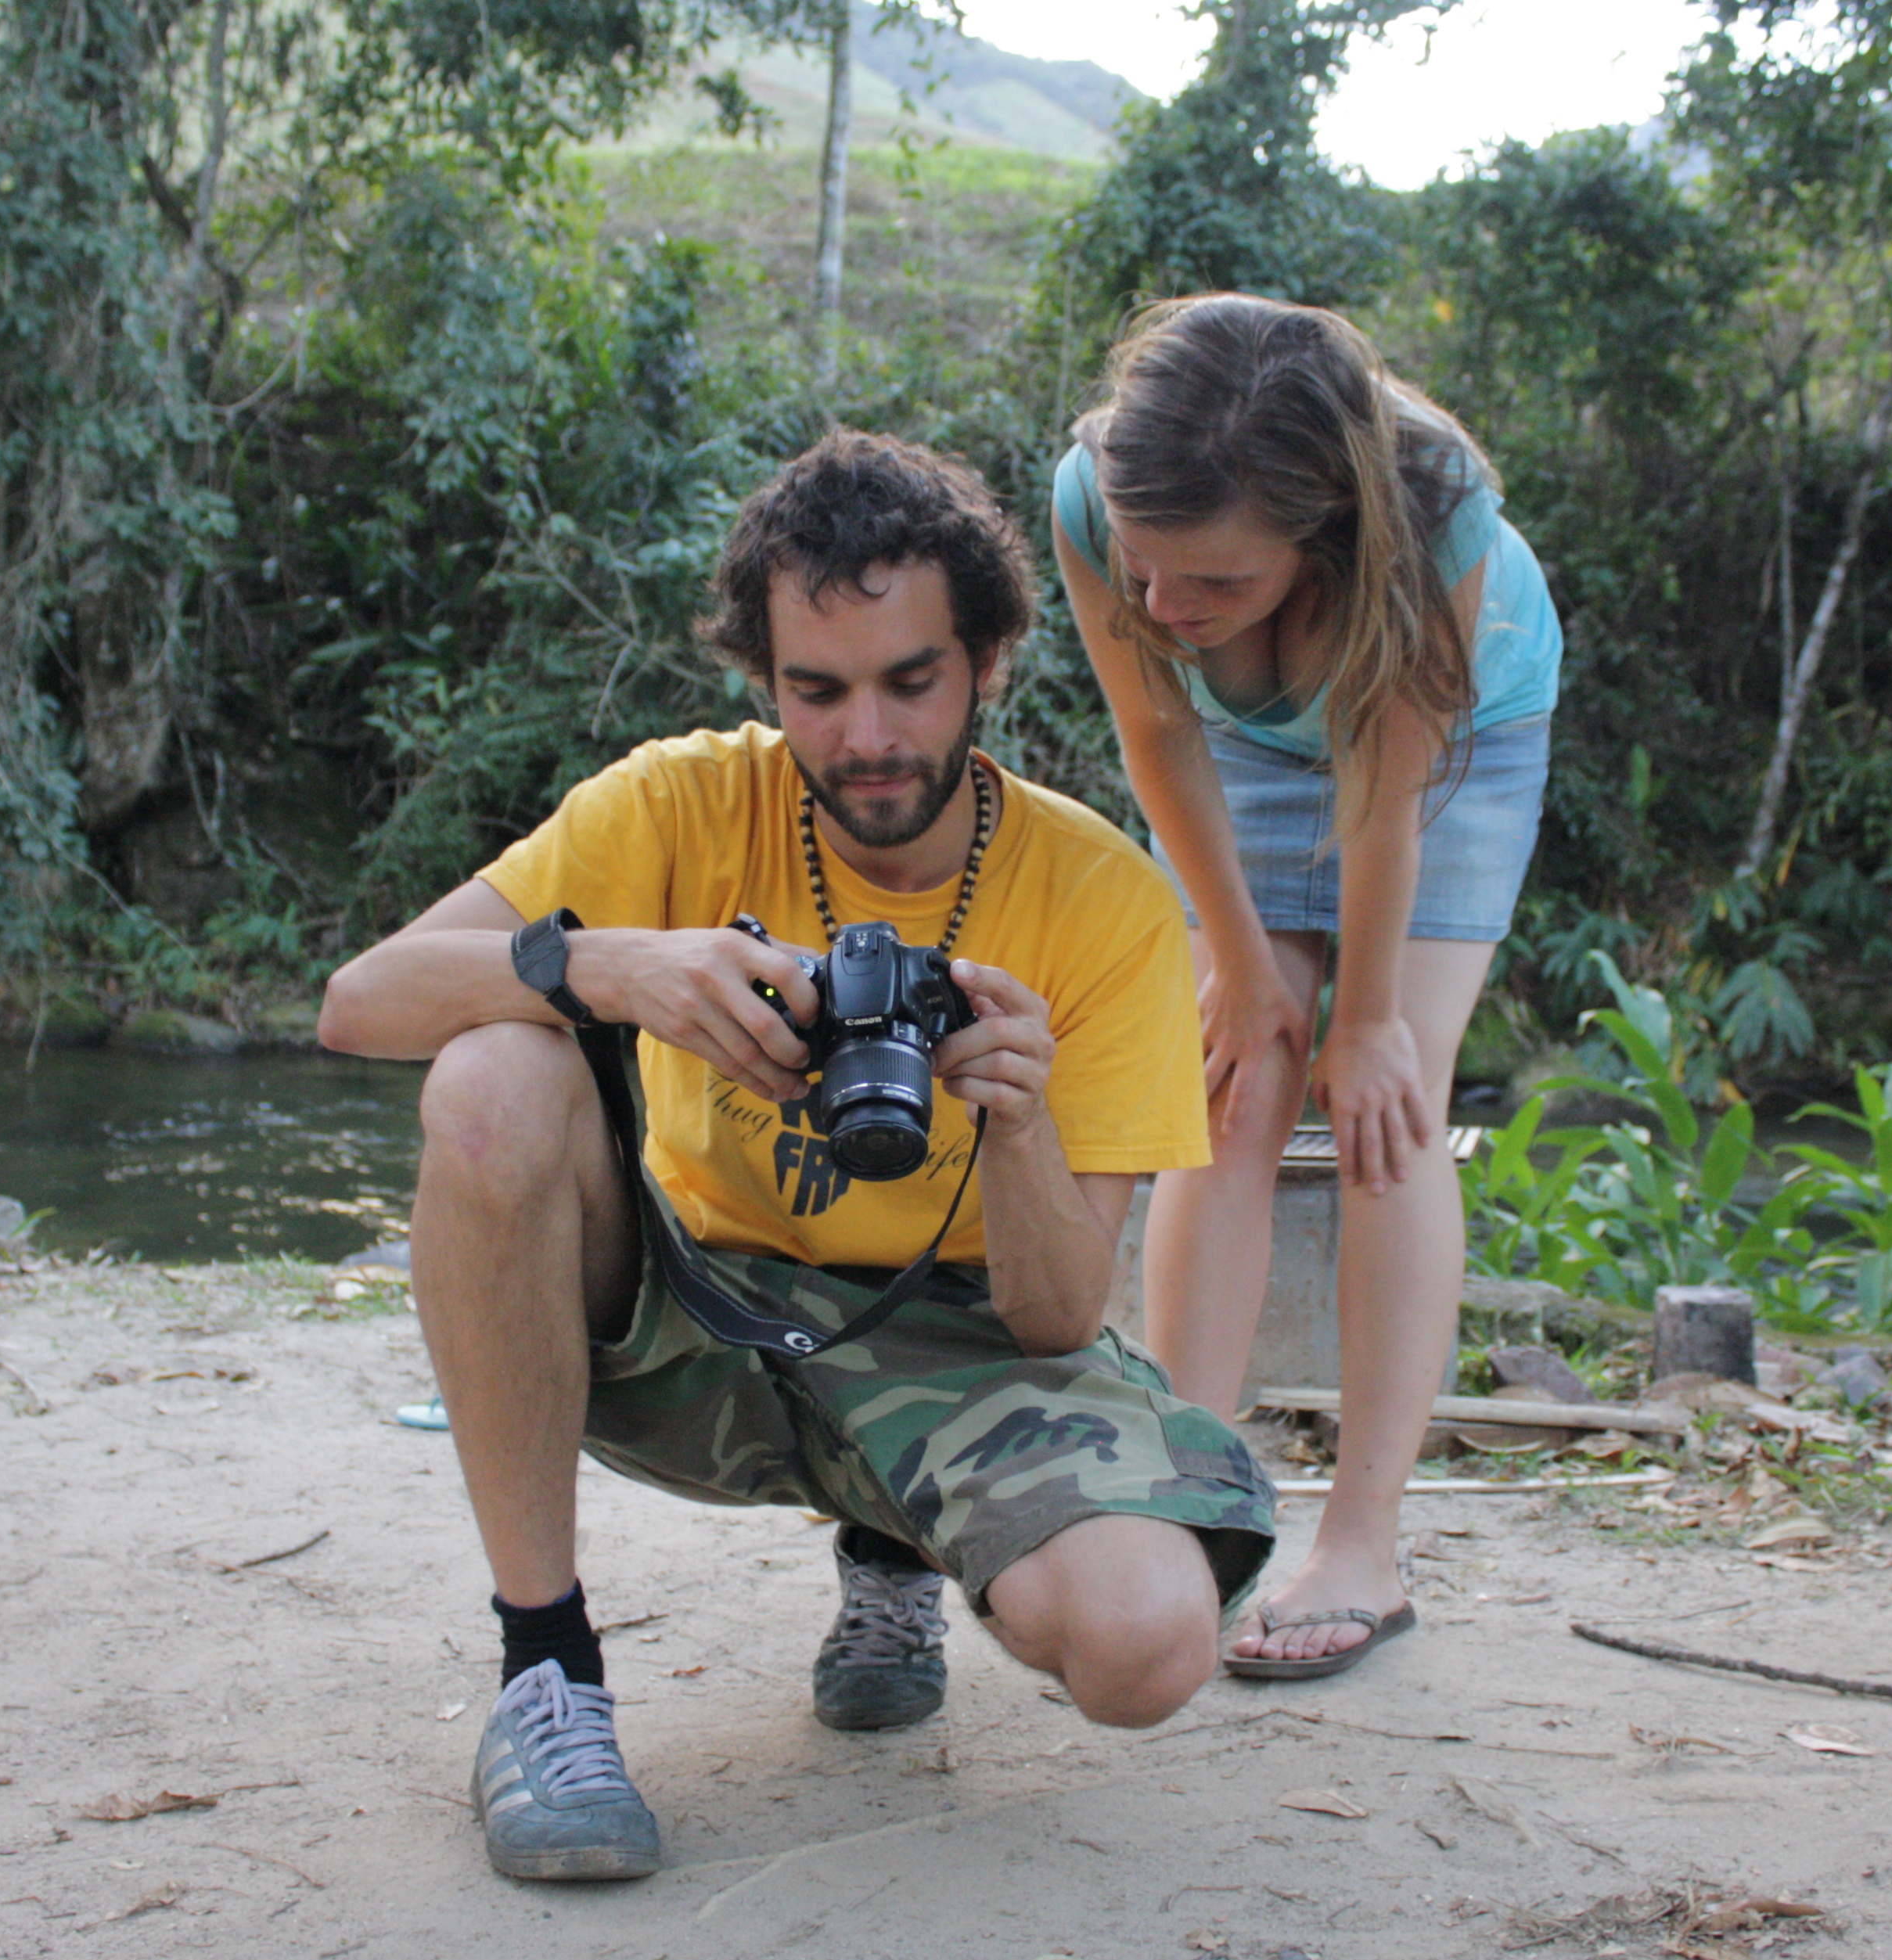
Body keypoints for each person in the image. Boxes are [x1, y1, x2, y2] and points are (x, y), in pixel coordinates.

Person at [319, 429, 1276, 1883]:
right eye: (816, 692)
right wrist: (610, 966)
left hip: (956, 1337)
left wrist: (1017, 1124)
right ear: (764, 683)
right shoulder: (679, 804)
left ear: (990, 663)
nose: (867, 736)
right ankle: (547, 1673)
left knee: (1147, 1648)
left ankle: (899, 1543)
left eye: (912, 681)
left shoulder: (1104, 900)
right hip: (690, 1310)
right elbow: (358, 1003)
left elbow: (1056, 1318)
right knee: (492, 1071)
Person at [1050, 295, 1561, 1681]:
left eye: (1213, 582)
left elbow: (1386, 799)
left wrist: (1369, 1020)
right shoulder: (1097, 488)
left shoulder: (1431, 509)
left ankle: (1362, 1548)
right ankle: (1191, 1507)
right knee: (1229, 1078)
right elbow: (1158, 729)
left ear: (1321, 525)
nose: (1166, 607)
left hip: (1454, 742)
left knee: (1391, 1103)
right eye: (1146, 569)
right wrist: (1234, 965)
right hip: (1234, 754)